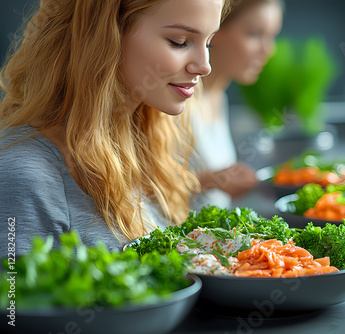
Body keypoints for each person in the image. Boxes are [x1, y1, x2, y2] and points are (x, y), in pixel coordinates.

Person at [0, 0, 231, 255]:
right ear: (104, 34)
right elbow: (12, 295)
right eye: (179, 41)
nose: (204, 65)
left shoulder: (143, 145)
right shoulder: (23, 175)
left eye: (208, 42)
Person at [190, 0, 283, 211]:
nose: (268, 50)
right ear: (215, 29)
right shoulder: (178, 98)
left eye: (272, 36)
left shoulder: (219, 97)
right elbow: (140, 186)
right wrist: (208, 181)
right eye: (254, 34)